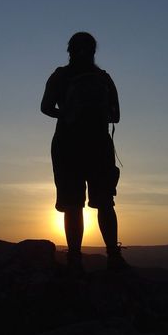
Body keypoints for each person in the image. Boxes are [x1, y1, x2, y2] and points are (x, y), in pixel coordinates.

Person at [41, 32, 129, 273]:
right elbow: (117, 116)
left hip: (67, 146)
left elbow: (45, 107)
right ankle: (113, 256)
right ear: (93, 51)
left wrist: (69, 113)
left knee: (72, 204)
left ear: (69, 50)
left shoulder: (60, 75)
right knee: (105, 203)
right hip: (99, 146)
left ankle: (75, 259)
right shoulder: (103, 78)